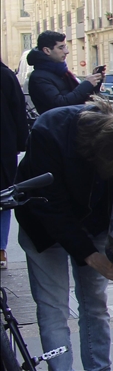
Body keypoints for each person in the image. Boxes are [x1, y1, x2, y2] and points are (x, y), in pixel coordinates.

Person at [15, 104, 113, 371]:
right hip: (42, 224)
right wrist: (90, 256)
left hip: (93, 220)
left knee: (95, 303)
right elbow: (49, 206)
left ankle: (99, 368)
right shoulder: (49, 132)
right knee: (53, 307)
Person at [27, 30, 104, 115]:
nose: (66, 51)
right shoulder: (38, 78)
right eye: (61, 48)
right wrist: (87, 84)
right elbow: (60, 104)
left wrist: (95, 82)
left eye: (65, 47)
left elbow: (80, 97)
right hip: (59, 122)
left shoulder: (60, 72)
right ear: (47, 50)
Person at [1, 59, 29, 269]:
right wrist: (20, 143)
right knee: (2, 198)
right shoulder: (6, 76)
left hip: (5, 147)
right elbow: (18, 111)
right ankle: (0, 250)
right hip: (4, 147)